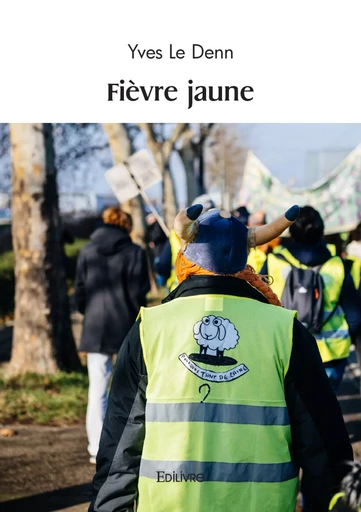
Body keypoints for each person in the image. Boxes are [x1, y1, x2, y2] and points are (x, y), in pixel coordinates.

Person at [90, 204, 352, 512]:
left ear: (184, 257)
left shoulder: (151, 328)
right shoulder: (284, 330)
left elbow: (121, 442)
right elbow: (324, 448)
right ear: (246, 260)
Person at [74, 206, 150, 464]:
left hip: (95, 327)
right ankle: (126, 444)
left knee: (97, 389)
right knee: (130, 388)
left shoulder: (87, 250)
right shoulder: (135, 252)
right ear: (126, 226)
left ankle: (97, 448)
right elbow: (140, 291)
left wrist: (91, 313)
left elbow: (80, 293)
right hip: (127, 325)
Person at [262, 206, 361, 393]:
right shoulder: (337, 265)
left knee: (292, 415)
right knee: (325, 412)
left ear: (291, 233)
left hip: (285, 352)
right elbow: (354, 315)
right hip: (330, 354)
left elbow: (258, 306)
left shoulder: (273, 262)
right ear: (321, 232)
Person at [155, 194, 216, 291]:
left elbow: (163, 264)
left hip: (179, 290)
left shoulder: (176, 234)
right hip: (213, 290)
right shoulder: (221, 234)